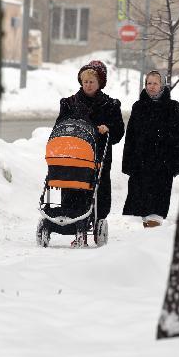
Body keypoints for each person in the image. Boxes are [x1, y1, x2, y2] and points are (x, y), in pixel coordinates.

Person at [55, 60, 125, 246]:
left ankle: (97, 219)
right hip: (74, 155)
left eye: (92, 81)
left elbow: (118, 132)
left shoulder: (110, 105)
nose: (88, 85)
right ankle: (72, 221)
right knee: (72, 185)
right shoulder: (70, 103)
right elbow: (60, 126)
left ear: (100, 82)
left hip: (99, 155)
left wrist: (107, 128)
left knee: (97, 188)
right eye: (85, 81)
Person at [122, 70, 179, 227]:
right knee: (142, 206)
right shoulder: (138, 107)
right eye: (148, 83)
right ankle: (144, 241)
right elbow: (130, 136)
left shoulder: (173, 107)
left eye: (155, 83)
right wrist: (128, 162)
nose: (151, 86)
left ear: (162, 85)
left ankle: (151, 237)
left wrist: (178, 162)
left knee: (157, 206)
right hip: (141, 162)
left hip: (163, 163)